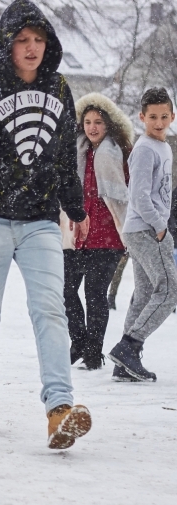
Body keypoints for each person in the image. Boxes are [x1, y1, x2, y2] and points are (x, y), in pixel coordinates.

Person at [0, 0, 92, 449]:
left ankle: (59, 409)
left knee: (50, 310)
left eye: (38, 39)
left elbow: (64, 156)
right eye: (22, 40)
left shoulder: (60, 88)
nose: (31, 48)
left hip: (41, 221)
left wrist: (76, 208)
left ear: (49, 43)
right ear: (7, 44)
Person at [107, 87, 176, 382]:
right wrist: (160, 226)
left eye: (164, 116)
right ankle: (129, 346)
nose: (159, 122)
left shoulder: (163, 147)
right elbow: (139, 196)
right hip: (147, 229)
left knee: (145, 295)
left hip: (142, 229)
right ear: (142, 117)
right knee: (170, 290)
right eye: (153, 117)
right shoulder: (146, 149)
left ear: (172, 117)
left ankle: (124, 365)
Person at [60, 93, 132, 370]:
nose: (92, 127)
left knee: (95, 294)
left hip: (108, 235)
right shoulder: (74, 152)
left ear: (108, 124)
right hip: (77, 234)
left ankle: (93, 352)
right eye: (88, 122)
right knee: (65, 290)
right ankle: (79, 342)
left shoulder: (120, 152)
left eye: (98, 122)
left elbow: (128, 192)